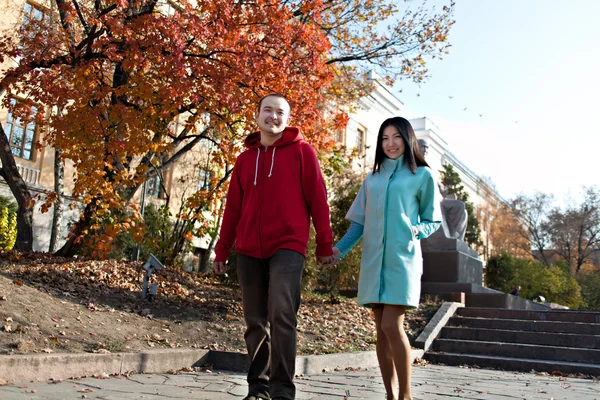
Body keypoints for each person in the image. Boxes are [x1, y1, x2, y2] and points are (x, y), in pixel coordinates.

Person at [213, 94, 335, 400]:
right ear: (257, 116)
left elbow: (318, 199)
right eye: (267, 110)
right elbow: (233, 209)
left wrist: (324, 243)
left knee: (281, 311)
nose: (273, 116)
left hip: (288, 245)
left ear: (287, 118)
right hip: (249, 249)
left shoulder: (302, 152)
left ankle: (282, 391)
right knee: (254, 319)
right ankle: (258, 389)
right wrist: (222, 249)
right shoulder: (244, 160)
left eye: (280, 112)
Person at [332, 117, 442, 400]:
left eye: (396, 137)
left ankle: (406, 396)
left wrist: (416, 229)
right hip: (373, 260)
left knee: (391, 324)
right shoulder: (373, 179)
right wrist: (338, 250)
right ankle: (390, 396)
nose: (390, 143)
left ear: (408, 140)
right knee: (380, 331)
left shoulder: (422, 176)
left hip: (402, 260)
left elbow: (433, 219)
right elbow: (358, 224)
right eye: (384, 138)